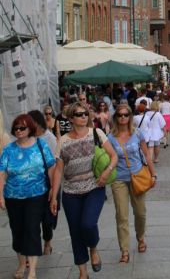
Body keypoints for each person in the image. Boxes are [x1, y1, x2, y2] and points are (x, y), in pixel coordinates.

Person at [50, 101, 117, 279]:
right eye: (79, 114)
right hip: (71, 193)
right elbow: (58, 170)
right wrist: (54, 197)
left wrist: (107, 172)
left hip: (94, 188)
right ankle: (82, 273)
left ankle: (93, 248)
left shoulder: (96, 133)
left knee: (88, 224)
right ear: (71, 119)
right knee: (75, 233)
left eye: (85, 114)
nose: (83, 117)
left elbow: (113, 156)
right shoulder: (63, 141)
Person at [0, 113, 56, 279]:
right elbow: (2, 173)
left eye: (22, 128)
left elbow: (51, 167)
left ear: (30, 128)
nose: (18, 130)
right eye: (16, 128)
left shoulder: (41, 145)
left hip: (37, 195)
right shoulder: (8, 150)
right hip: (13, 197)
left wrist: (53, 189)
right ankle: (21, 264)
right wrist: (0, 196)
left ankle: (32, 270)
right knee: (17, 230)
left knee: (32, 228)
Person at [107, 104, 156, 262]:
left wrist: (153, 174)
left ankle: (141, 237)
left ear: (130, 117)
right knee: (121, 215)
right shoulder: (110, 137)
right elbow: (108, 158)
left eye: (126, 115)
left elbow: (147, 155)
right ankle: (125, 250)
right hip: (118, 179)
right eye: (120, 115)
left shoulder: (137, 133)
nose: (123, 117)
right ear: (116, 118)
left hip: (138, 176)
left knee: (140, 213)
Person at [28, 110, 58, 256]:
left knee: (47, 219)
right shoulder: (27, 138)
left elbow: (55, 162)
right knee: (32, 219)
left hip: (48, 181)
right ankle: (32, 248)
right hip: (32, 185)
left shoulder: (49, 138)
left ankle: (47, 241)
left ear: (37, 123)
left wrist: (53, 187)